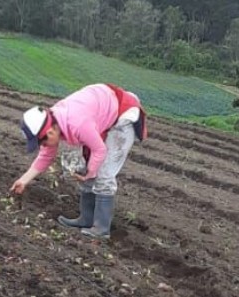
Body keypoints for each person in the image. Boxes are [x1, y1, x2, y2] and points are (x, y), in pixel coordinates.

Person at [10, 83, 147, 239]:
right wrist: (23, 180)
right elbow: (45, 156)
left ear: (50, 131)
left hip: (124, 115)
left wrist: (90, 172)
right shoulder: (53, 122)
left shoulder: (77, 123)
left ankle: (101, 228)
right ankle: (86, 219)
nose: (43, 146)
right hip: (101, 109)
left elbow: (99, 150)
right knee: (85, 165)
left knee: (104, 172)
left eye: (42, 142)